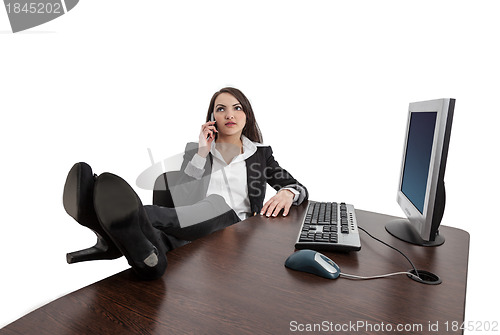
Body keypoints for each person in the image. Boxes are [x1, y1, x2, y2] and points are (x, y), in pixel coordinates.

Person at [63, 87, 308, 280]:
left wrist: (288, 193)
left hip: (236, 234)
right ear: (212, 118)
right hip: (192, 230)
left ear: (247, 116)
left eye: (237, 108)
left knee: (216, 203)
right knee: (155, 248)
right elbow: (185, 197)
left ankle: (119, 225)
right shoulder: (197, 152)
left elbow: (298, 187)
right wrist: (202, 153)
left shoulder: (260, 155)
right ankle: (123, 242)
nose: (229, 114)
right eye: (221, 109)